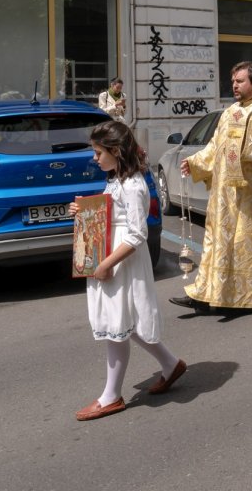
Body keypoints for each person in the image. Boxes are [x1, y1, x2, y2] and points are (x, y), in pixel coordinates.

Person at [71, 120, 185, 421]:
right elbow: (112, 213)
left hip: (122, 259)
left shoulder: (133, 184)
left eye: (98, 152)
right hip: (113, 255)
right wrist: (84, 211)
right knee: (123, 322)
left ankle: (111, 396)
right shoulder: (117, 179)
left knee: (117, 326)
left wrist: (108, 263)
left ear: (116, 151)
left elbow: (137, 234)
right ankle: (171, 364)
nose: (94, 158)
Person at [173, 62, 252, 313]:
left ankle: (247, 297)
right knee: (218, 242)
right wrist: (195, 163)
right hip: (224, 194)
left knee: (246, 245)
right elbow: (216, 147)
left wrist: (249, 127)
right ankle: (205, 293)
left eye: (240, 81)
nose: (234, 85)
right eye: (233, 81)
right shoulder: (230, 112)